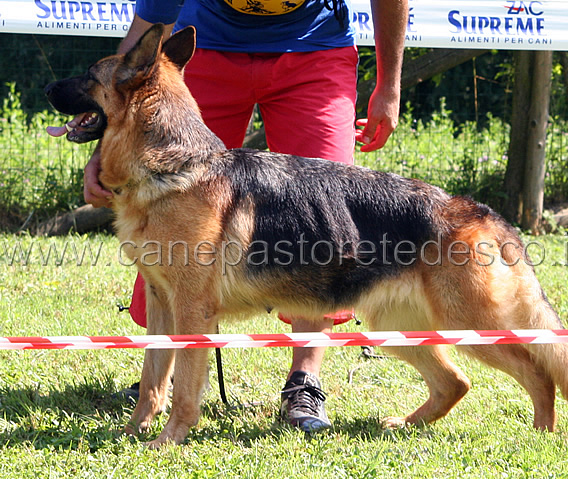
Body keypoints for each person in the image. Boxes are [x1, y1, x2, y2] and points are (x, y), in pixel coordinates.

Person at [58, 0, 408, 432]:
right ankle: (156, 389)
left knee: (326, 225)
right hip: (209, 46)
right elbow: (135, 66)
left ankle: (305, 381)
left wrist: (389, 84)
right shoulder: (145, 82)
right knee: (172, 253)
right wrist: (102, 145)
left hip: (312, 45)